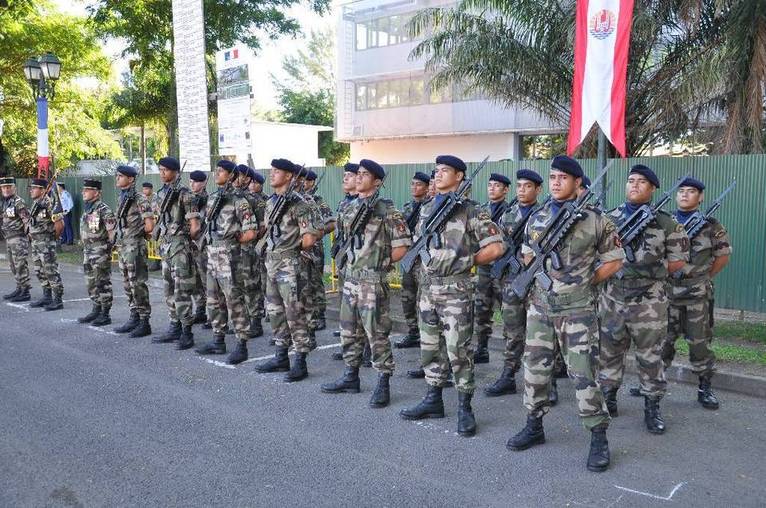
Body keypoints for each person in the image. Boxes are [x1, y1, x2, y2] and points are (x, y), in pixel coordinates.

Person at [506, 155, 623, 473]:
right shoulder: (539, 215)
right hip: (540, 309)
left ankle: (598, 436)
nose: (556, 182)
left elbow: (614, 260)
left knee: (584, 376)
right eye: (553, 177)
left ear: (577, 183)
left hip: (577, 312)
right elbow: (528, 255)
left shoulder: (597, 220)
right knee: (534, 370)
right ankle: (534, 425)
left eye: (562, 178)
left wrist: (585, 282)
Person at [399, 155, 505, 437]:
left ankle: (464, 407)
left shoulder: (471, 210)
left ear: (459, 177)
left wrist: (465, 261)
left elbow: (496, 248)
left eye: (445, 171)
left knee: (458, 350)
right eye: (436, 171)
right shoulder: (426, 209)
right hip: (427, 289)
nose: (438, 175)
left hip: (456, 290)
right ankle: (433, 399)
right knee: (430, 346)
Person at [598, 164, 689, 434]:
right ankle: (609, 398)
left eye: (641, 182)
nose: (634, 185)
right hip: (613, 297)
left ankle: (652, 407)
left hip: (650, 301)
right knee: (609, 351)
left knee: (651, 355)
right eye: (631, 181)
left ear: (652, 189)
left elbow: (678, 261)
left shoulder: (667, 223)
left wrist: (650, 273)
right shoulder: (608, 219)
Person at [320, 159, 411, 408]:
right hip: (350, 279)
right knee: (350, 331)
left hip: (372, 281)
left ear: (378, 181)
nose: (359, 178)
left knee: (377, 334)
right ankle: (351, 376)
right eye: (357, 174)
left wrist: (380, 264)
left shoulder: (387, 211)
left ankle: (383, 382)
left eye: (365, 175)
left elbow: (402, 246)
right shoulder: (348, 208)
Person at [661, 177, 731, 409]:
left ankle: (705, 388)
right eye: (681, 191)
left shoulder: (711, 225)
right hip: (667, 293)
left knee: (700, 344)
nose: (684, 195)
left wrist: (703, 276)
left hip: (697, 295)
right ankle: (652, 385)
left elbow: (722, 257)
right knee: (662, 342)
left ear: (700, 197)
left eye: (691, 192)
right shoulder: (665, 221)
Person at [254, 158, 320, 382]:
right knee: (275, 312)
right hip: (271, 263)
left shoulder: (299, 204)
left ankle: (300, 361)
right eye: (271, 170)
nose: (272, 174)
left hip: (290, 265)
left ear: (290, 176)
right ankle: (281, 355)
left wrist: (291, 250)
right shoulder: (272, 202)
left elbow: (309, 239)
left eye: (277, 172)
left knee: (295, 314)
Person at [484, 169, 543, 397]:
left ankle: (548, 383)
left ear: (538, 189)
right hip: (511, 281)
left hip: (537, 282)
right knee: (512, 331)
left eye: (527, 186)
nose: (522, 190)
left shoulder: (546, 215)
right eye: (519, 186)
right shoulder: (507, 215)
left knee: (543, 334)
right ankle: (508, 375)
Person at [195, 161, 257, 364]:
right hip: (212, 254)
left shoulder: (240, 201)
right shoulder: (213, 198)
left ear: (231, 175)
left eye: (221, 171)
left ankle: (242, 345)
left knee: (234, 301)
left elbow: (251, 231)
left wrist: (233, 241)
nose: (217, 173)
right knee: (213, 300)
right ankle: (218, 339)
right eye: (217, 170)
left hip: (230, 257)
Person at [151, 156, 201, 350]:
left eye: (166, 169)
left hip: (180, 247)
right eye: (160, 169)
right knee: (168, 289)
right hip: (166, 246)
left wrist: (185, 237)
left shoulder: (185, 194)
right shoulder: (160, 193)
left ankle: (187, 331)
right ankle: (175, 325)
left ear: (175, 172)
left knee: (182, 290)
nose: (162, 172)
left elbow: (195, 225)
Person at [473, 173, 512, 364]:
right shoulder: (482, 211)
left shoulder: (511, 212)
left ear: (505, 190)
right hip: (485, 269)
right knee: (481, 310)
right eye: (490, 185)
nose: (492, 188)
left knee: (508, 312)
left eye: (497, 186)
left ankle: (510, 355)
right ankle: (481, 348)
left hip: (504, 270)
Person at [113, 165, 155, 337]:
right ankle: (134, 316)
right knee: (127, 283)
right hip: (123, 246)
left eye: (121, 176)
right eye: (117, 176)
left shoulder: (140, 199)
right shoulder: (121, 198)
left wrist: (137, 235)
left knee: (137, 284)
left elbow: (150, 225)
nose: (117, 178)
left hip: (134, 246)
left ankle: (145, 321)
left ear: (130, 179)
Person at [394, 171, 430, 349]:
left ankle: (425, 336)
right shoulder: (407, 207)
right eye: (413, 184)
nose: (414, 187)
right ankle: (413, 332)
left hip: (424, 261)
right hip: (410, 258)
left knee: (422, 300)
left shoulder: (431, 207)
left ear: (427, 187)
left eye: (419, 184)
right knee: (407, 298)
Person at [77, 179, 117, 326]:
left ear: (96, 192)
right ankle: (96, 308)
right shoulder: (88, 209)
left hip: (100, 251)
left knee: (102, 282)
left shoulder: (104, 209)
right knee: (90, 282)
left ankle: (105, 313)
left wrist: (108, 249)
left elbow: (112, 232)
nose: (83, 192)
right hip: (88, 251)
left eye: (87, 190)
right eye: (84, 189)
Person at [330, 163, 360, 359]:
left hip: (357, 261)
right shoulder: (344, 203)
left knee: (358, 307)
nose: (345, 179)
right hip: (344, 259)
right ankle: (349, 344)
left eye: (349, 175)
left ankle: (363, 348)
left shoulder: (363, 204)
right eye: (345, 175)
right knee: (345, 304)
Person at [304, 170, 335, 331]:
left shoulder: (318, 202)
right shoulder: (295, 200)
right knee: (303, 283)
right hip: (299, 249)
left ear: (312, 183)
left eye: (307, 181)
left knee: (315, 282)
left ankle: (320, 315)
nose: (303, 183)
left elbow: (331, 223)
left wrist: (318, 233)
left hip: (314, 249)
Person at [27, 178, 65, 311]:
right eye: (31, 187)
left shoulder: (50, 204)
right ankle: (47, 295)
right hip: (37, 243)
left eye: (34, 188)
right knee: (40, 270)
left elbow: (60, 225)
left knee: (51, 271)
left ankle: (58, 299)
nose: (31, 190)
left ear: (43, 190)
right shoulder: (36, 203)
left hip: (46, 243)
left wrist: (52, 239)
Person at [0, 177, 32, 302]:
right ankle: (19, 288)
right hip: (9, 238)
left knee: (20, 265)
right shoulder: (6, 202)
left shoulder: (19, 202)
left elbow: (26, 220)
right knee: (13, 266)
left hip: (18, 238)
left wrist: (28, 236)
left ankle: (25, 291)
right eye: (4, 187)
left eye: (9, 187)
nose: (6, 189)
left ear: (14, 188)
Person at [247, 170, 268, 333]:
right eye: (251, 182)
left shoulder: (260, 201)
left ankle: (257, 319)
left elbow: (262, 227)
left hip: (256, 246)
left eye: (255, 183)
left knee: (257, 283)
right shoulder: (247, 198)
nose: (252, 185)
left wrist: (254, 240)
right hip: (246, 248)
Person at [188, 170, 210, 327]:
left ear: (203, 183)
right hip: (191, 245)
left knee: (206, 281)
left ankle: (213, 314)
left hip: (203, 246)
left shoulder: (208, 200)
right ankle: (200, 310)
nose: (192, 184)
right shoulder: (190, 200)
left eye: (195, 181)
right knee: (195, 281)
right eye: (190, 181)